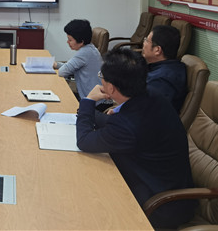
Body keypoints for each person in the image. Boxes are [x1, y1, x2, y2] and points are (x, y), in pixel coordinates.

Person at [76, 48, 196, 229]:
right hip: (166, 184)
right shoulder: (152, 95)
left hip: (159, 205)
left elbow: (84, 141)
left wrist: (88, 101)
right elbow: (116, 124)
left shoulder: (128, 126)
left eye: (102, 76)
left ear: (111, 88)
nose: (100, 79)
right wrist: (88, 111)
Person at [53, 19, 104, 105]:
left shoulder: (84, 53)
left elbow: (62, 72)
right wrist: (56, 64)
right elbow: (72, 66)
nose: (67, 42)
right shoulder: (91, 49)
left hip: (95, 103)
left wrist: (58, 66)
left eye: (70, 40)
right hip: (97, 98)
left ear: (81, 42)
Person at [142, 24, 187, 112]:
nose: (143, 43)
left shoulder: (162, 79)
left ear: (157, 50)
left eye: (146, 40)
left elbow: (146, 111)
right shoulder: (170, 67)